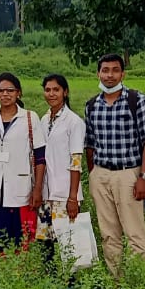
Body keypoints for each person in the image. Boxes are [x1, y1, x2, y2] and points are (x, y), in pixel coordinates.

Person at [84, 53, 145, 282]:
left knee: (134, 233)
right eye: (105, 70)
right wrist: (93, 174)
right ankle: (117, 283)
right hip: (101, 173)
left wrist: (144, 176)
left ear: (122, 74)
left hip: (128, 173)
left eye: (115, 70)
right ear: (98, 73)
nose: (109, 75)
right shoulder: (92, 105)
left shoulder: (138, 101)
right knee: (108, 234)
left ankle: (137, 284)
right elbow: (90, 144)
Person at [0, 72, 45, 257]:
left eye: (10, 90)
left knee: (22, 239)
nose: (5, 94)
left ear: (18, 93)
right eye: (1, 90)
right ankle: (1, 272)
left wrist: (37, 190)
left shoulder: (30, 117)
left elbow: (40, 157)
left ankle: (20, 275)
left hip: (21, 190)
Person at [37, 74, 86, 274]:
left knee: (69, 246)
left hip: (65, 195)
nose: (51, 94)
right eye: (48, 90)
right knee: (46, 244)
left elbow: (76, 162)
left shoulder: (74, 122)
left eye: (56, 90)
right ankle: (50, 285)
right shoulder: (44, 119)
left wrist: (73, 197)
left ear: (65, 92)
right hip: (46, 195)